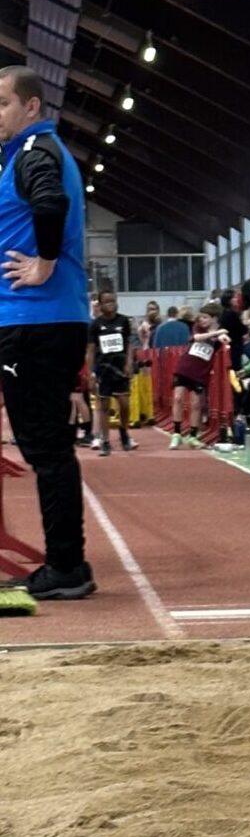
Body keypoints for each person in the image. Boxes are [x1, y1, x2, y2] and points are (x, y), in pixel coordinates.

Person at [0, 64, 94, 599]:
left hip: (36, 321)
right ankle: (66, 563)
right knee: (48, 447)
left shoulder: (36, 153)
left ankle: (67, 566)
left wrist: (45, 262)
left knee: (47, 449)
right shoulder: (28, 154)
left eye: (3, 104)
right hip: (38, 320)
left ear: (31, 106)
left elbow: (50, 202)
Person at [169, 303, 230, 449]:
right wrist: (216, 333)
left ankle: (193, 436)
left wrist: (222, 337)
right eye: (201, 317)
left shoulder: (219, 333)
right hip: (185, 367)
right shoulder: (198, 328)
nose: (201, 320)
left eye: (205, 317)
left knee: (196, 404)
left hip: (200, 372)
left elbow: (224, 338)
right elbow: (197, 338)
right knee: (177, 398)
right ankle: (176, 434)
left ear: (214, 319)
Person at [86, 288, 138, 456]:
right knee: (104, 406)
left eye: (113, 301)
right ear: (100, 305)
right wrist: (90, 373)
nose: (111, 304)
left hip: (120, 368)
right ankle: (105, 440)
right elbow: (91, 350)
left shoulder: (123, 321)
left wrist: (129, 363)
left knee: (124, 404)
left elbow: (129, 344)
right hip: (103, 369)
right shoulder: (95, 325)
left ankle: (124, 433)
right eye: (107, 302)